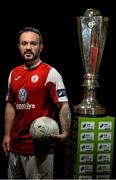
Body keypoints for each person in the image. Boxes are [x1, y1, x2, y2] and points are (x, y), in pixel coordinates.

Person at [2, 27, 71, 179]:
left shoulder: (50, 73)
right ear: (19, 46)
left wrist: (65, 132)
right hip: (15, 146)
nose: (28, 47)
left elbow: (63, 105)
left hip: (39, 148)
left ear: (41, 47)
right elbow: (10, 105)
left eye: (33, 43)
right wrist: (7, 135)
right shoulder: (14, 73)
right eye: (24, 43)